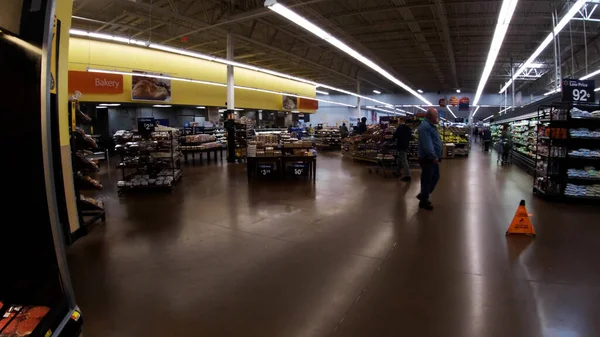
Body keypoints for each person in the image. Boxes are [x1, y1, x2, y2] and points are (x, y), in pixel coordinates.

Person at [417, 108, 442, 210]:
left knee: (435, 176)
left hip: (432, 157)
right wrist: (433, 156)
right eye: (436, 115)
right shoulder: (425, 127)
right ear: (430, 116)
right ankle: (424, 201)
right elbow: (427, 144)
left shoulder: (431, 126)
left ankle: (424, 194)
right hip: (428, 158)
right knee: (427, 179)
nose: (437, 117)